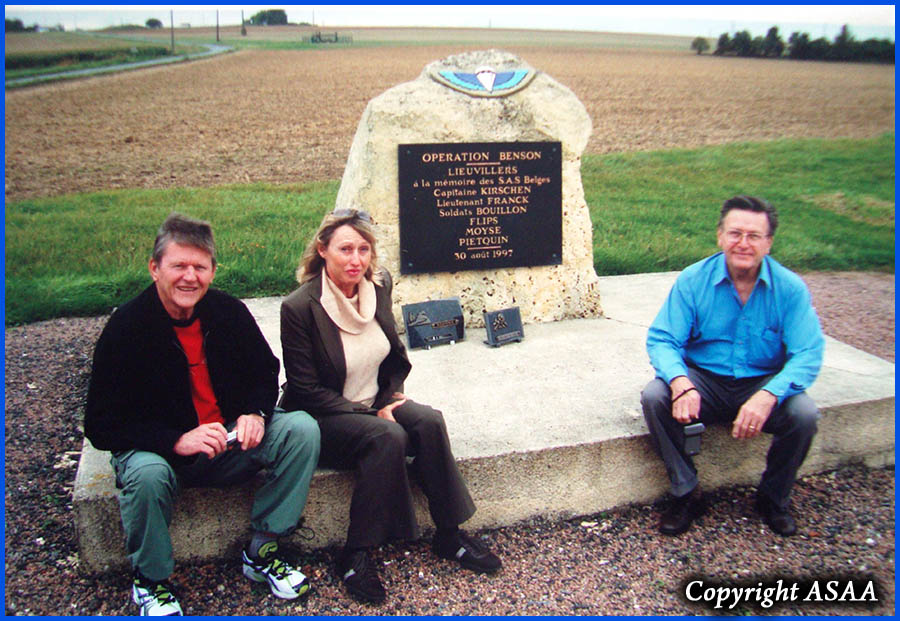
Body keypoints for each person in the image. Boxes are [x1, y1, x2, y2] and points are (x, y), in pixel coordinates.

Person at [84, 213, 321, 615]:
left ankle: (263, 549)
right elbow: (101, 423)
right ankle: (151, 581)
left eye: (200, 267)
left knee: (302, 429)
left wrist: (256, 413)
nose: (189, 277)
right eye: (178, 266)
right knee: (146, 475)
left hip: (225, 441)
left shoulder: (228, 312)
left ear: (212, 270)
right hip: (161, 451)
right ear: (154, 268)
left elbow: (265, 370)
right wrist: (174, 440)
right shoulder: (126, 327)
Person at [279, 208, 502, 604]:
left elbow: (394, 357)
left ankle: (448, 535)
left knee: (428, 420)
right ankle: (356, 553)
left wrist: (392, 395)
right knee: (388, 435)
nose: (355, 260)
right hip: (323, 415)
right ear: (322, 250)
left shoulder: (377, 285)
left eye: (364, 249)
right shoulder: (299, 307)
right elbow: (304, 388)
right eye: (345, 249)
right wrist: (369, 413)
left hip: (374, 402)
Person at [641, 195, 825, 538]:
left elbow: (808, 354)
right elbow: (663, 339)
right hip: (704, 381)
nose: (743, 243)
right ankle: (687, 493)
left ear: (768, 243)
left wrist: (769, 395)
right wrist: (681, 382)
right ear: (720, 236)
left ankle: (773, 499)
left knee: (804, 415)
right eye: (735, 233)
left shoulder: (790, 289)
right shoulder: (693, 280)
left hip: (761, 383)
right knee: (655, 396)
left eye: (754, 236)